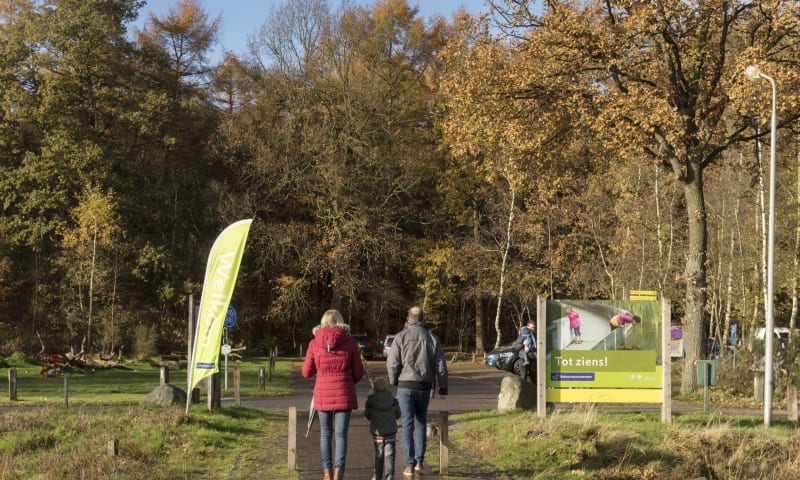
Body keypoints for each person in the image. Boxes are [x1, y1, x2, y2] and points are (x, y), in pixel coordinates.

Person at [302, 309, 365, 480]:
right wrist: (347, 379)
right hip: (344, 392)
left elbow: (306, 372)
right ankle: (339, 473)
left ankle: (327, 473)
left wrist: (321, 372)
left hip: (322, 393)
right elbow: (359, 372)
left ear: (322, 322)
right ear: (340, 321)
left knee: (325, 433)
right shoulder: (350, 342)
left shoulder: (314, 343)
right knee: (341, 435)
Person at [386, 306, 448, 477]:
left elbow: (392, 363)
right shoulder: (432, 338)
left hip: (405, 385)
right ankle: (420, 461)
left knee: (407, 425)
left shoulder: (401, 337)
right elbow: (440, 365)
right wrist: (443, 386)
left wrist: (393, 381)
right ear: (423, 318)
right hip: (424, 386)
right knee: (420, 422)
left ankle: (409, 465)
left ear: (409, 318)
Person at [364, 376, 401, 480]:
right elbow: (398, 414)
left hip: (377, 434)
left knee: (379, 455)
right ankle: (389, 474)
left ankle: (377, 475)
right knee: (390, 454)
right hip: (390, 433)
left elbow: (367, 415)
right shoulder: (393, 401)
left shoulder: (370, 401)